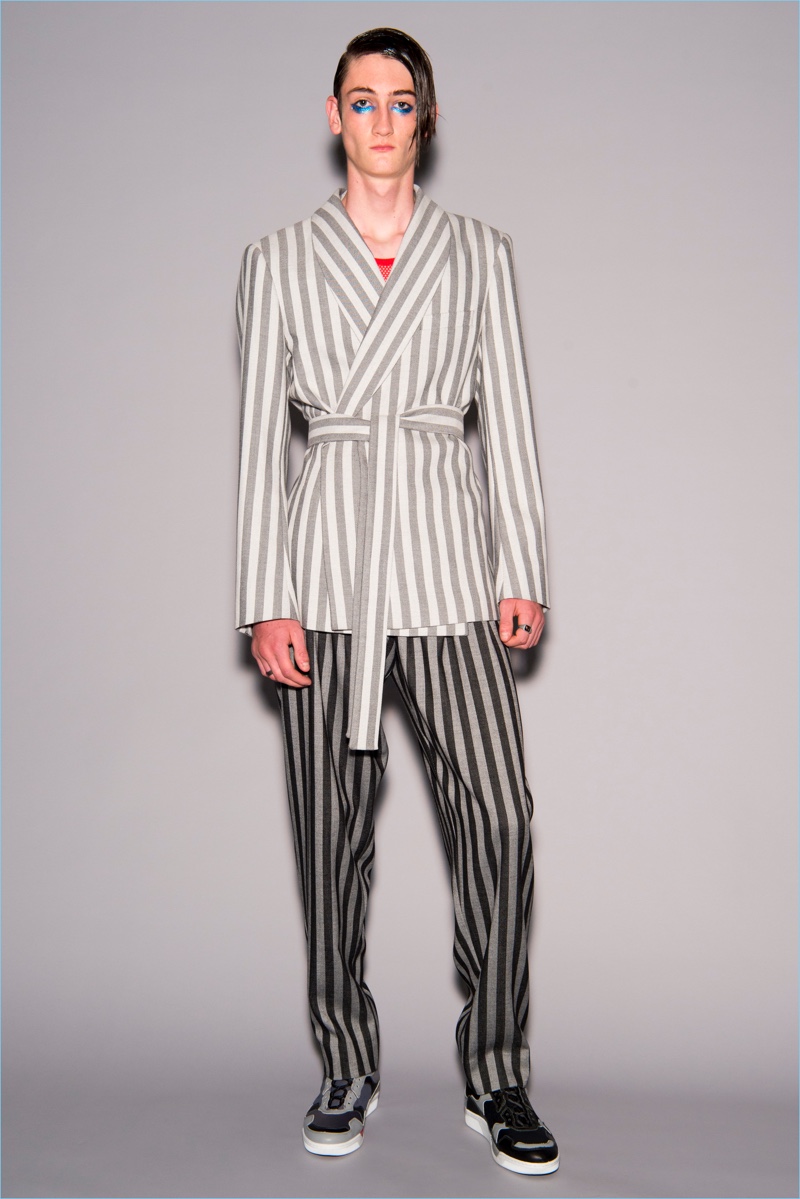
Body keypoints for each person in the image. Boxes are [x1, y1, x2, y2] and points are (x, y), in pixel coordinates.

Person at [235, 27, 558, 1176]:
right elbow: (254, 444)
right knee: (328, 833)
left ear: (427, 116)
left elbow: (505, 415)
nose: (381, 120)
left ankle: (496, 1066)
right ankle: (343, 1057)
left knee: (500, 817)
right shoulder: (277, 259)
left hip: (445, 567)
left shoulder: (477, 253)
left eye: (401, 100)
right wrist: (263, 596)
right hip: (325, 572)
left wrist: (520, 566)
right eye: (361, 101)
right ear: (334, 117)